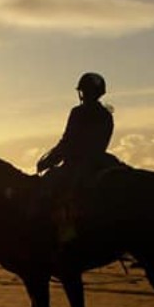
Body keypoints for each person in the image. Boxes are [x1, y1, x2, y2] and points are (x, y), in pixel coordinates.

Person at [36, 73, 117, 235]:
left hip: (78, 164)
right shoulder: (106, 115)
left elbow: (67, 142)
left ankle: (62, 233)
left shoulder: (78, 113)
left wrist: (48, 160)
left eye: (84, 91)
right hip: (101, 161)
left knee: (48, 189)